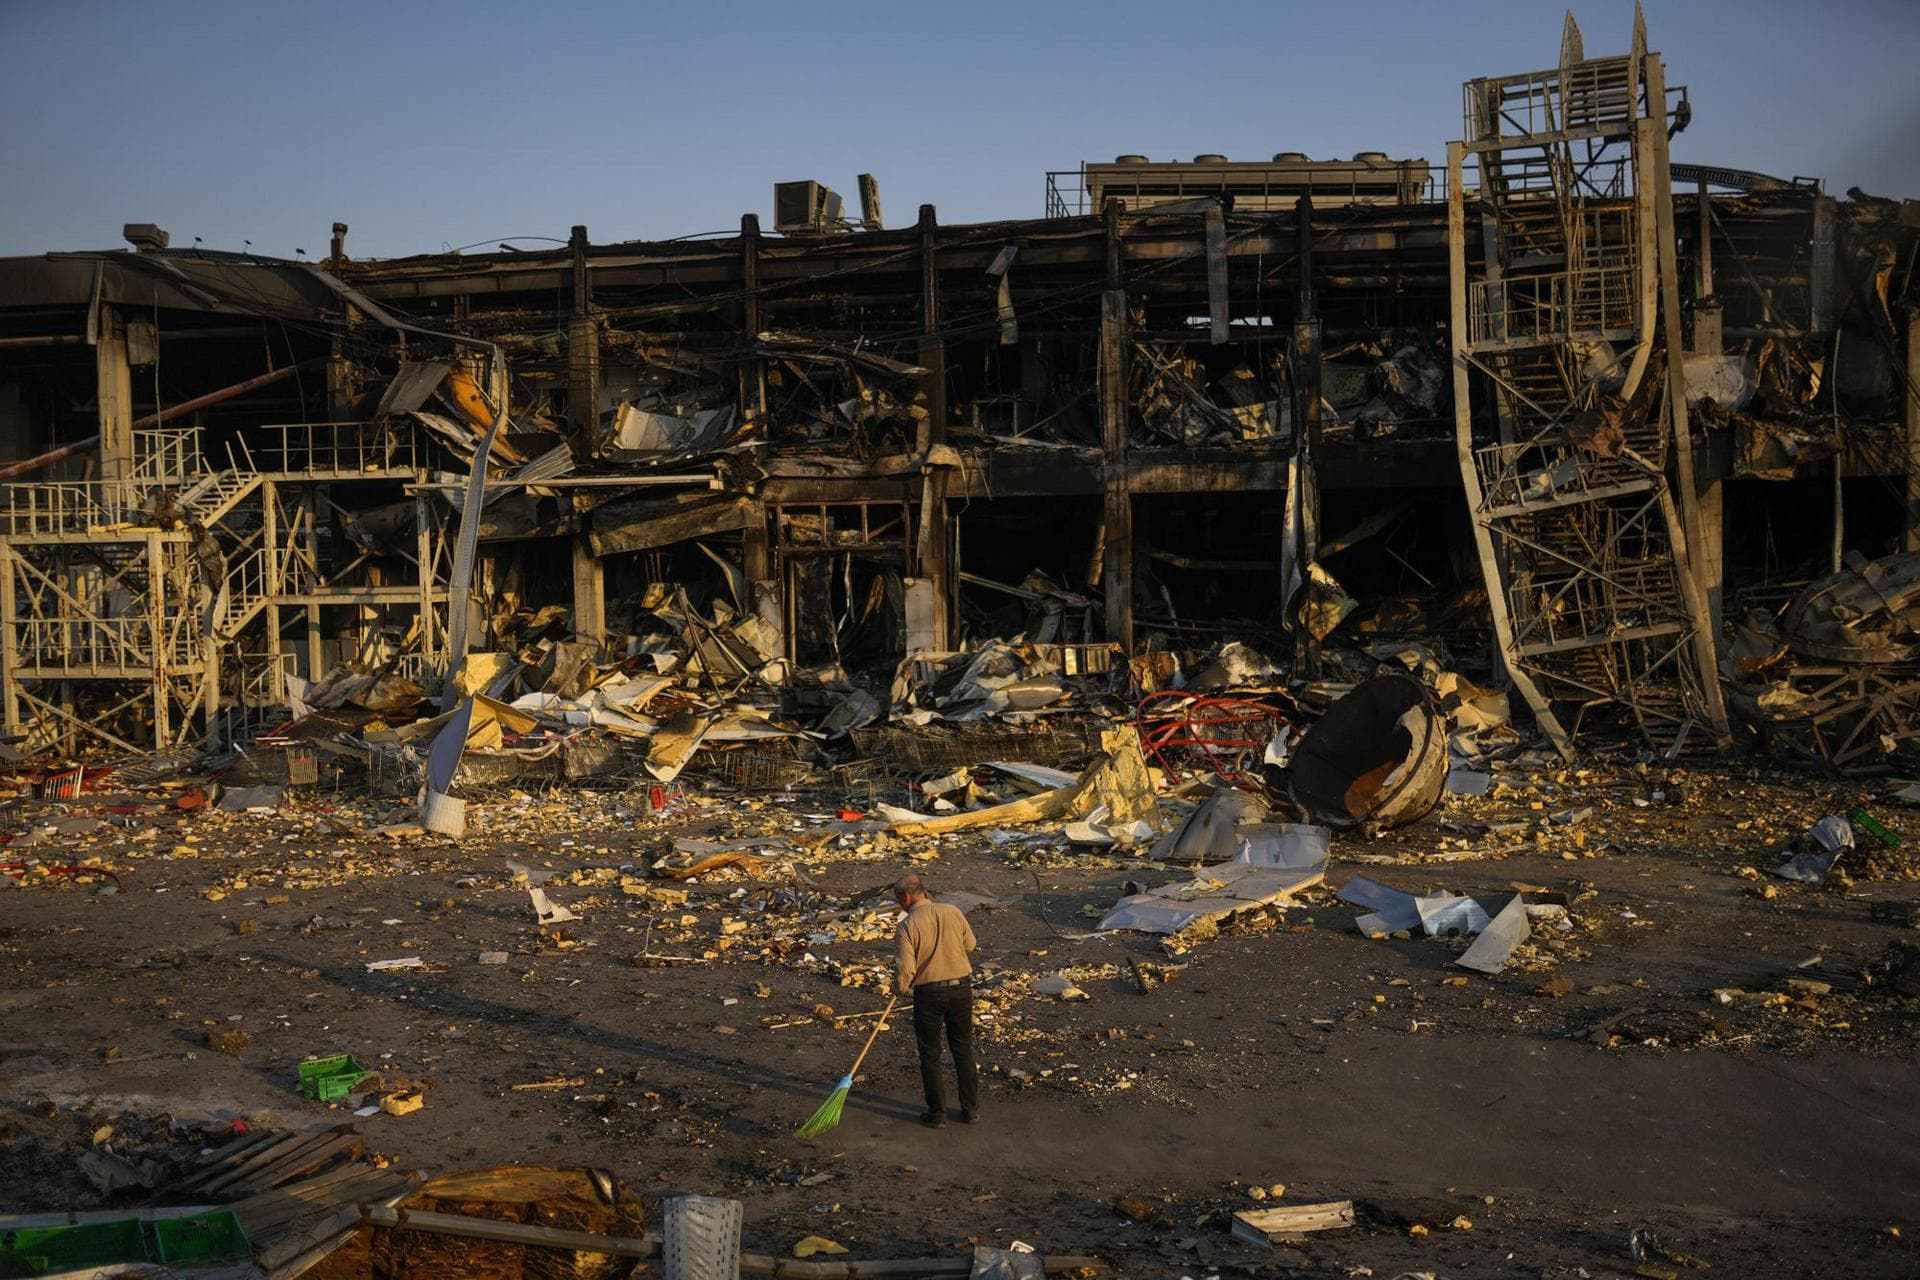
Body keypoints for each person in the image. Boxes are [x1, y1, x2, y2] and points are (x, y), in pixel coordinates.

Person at [892, 872, 978, 1128]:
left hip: (929, 994)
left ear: (906, 896)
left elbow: (905, 970)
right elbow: (970, 945)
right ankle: (971, 1110)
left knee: (930, 1053)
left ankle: (937, 1114)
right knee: (963, 1048)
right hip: (961, 989)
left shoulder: (907, 926)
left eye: (899, 899)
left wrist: (899, 988)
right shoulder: (952, 911)